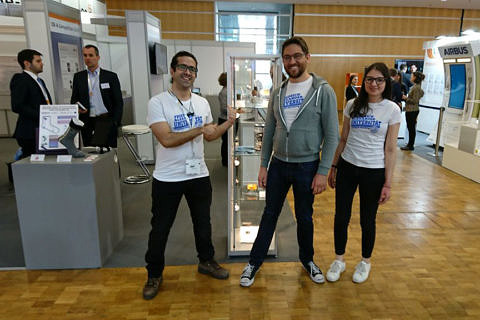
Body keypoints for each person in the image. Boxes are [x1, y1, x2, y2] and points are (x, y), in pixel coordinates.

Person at [239, 36, 339, 287]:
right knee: (269, 213)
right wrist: (264, 164)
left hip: (307, 166)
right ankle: (254, 262)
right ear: (282, 61)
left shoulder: (323, 91)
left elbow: (332, 134)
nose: (291, 61)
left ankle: (308, 260)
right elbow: (270, 129)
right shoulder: (278, 91)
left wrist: (323, 170)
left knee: (304, 216)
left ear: (307, 57)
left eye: (296, 56)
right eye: (287, 57)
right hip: (278, 165)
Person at [143, 51, 235, 300]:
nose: (187, 72)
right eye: (183, 67)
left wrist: (229, 123)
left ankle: (206, 261)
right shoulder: (158, 102)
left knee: (203, 223)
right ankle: (154, 274)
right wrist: (198, 129)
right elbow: (167, 138)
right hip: (168, 178)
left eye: (192, 69)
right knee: (160, 228)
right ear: (172, 71)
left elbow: (210, 135)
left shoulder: (202, 102)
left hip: (198, 175)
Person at [326, 62, 401, 284]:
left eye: (379, 79)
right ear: (363, 81)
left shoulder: (392, 109)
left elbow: (390, 148)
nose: (374, 83)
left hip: (374, 172)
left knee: (367, 220)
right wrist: (334, 165)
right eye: (370, 79)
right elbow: (343, 138)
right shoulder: (352, 104)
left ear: (385, 82)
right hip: (348, 166)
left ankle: (365, 262)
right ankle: (339, 259)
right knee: (341, 216)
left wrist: (388, 183)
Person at [70, 45, 123, 148]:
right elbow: (74, 99)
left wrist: (115, 122)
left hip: (105, 119)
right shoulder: (79, 77)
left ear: (98, 57)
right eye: (85, 55)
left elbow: (118, 102)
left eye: (91, 55)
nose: (88, 58)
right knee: (91, 153)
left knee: (107, 153)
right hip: (87, 121)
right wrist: (78, 108)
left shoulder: (110, 76)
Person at [10, 49, 53, 158]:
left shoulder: (39, 81)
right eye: (38, 61)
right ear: (27, 63)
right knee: (32, 163)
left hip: (42, 129)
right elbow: (17, 106)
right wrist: (41, 115)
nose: (41, 64)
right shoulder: (21, 79)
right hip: (29, 132)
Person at [401, 71, 425, 151]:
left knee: (411, 128)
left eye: (412, 76)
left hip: (412, 110)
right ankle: (410, 143)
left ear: (415, 78)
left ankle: (410, 145)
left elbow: (414, 100)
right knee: (410, 127)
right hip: (411, 109)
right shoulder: (415, 86)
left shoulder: (416, 88)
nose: (411, 77)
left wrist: (405, 98)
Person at [217, 72, 228, 166]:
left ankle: (226, 160)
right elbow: (224, 108)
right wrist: (234, 111)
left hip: (225, 119)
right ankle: (225, 161)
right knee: (225, 141)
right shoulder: (224, 92)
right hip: (224, 119)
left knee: (226, 141)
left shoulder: (226, 90)